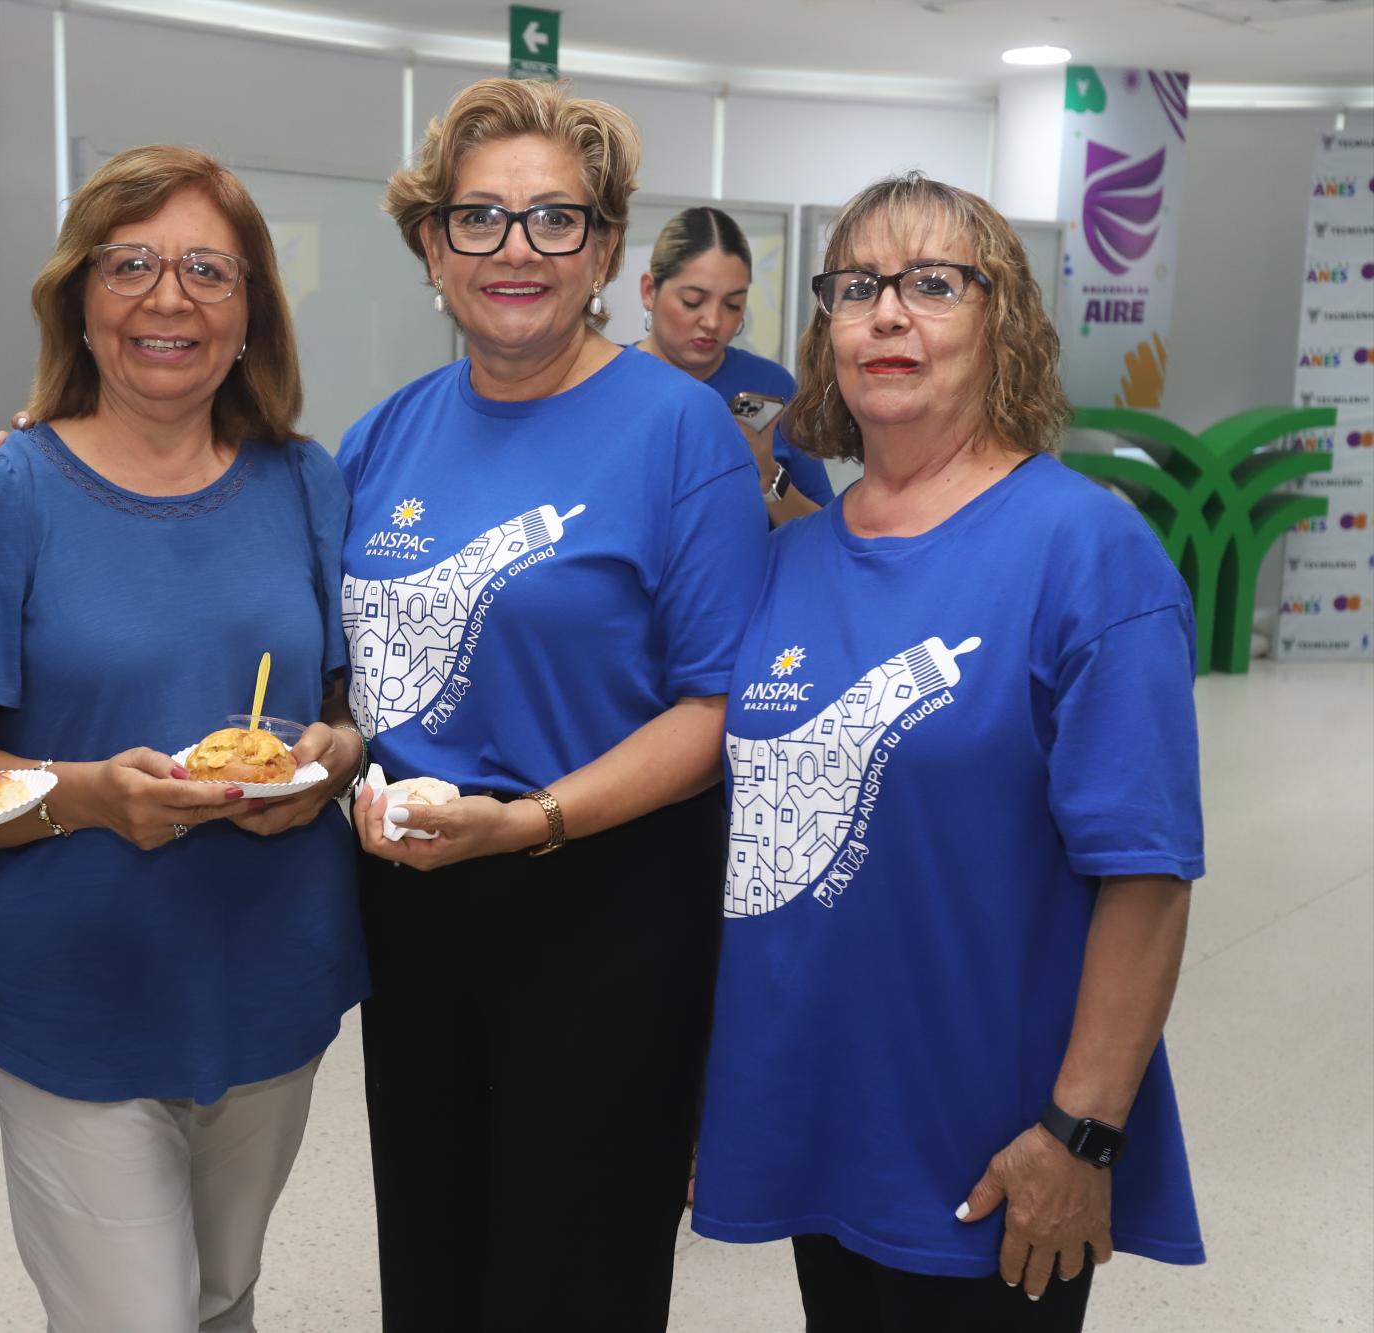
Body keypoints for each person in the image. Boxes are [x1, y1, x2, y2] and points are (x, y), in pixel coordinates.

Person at [691, 172, 1203, 1332]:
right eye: (855, 287)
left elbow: (1145, 873)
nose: (884, 314)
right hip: (819, 1125)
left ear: (1001, 320)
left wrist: (1079, 1131)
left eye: (931, 284)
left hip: (995, 1147)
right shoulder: (790, 559)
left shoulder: (1085, 551)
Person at [0, 144, 367, 1333]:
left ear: (252, 307)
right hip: (81, 987)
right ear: (77, 297)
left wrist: (332, 761)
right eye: (132, 264)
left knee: (220, 1298)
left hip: (272, 969)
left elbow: (343, 707)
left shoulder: (304, 482)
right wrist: (90, 795)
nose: (169, 298)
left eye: (208, 268)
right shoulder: (0, 494)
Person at [339, 78, 768, 1330]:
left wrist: (530, 823)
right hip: (411, 905)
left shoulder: (680, 433)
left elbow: (713, 704)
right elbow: (338, 666)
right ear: (431, 247)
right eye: (477, 218)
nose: (514, 249)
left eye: (554, 220)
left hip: (605, 904)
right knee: (430, 1252)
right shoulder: (378, 440)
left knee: (572, 1276)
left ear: (605, 252)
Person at [633, 206, 835, 526]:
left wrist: (766, 474)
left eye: (733, 305)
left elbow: (824, 533)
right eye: (692, 301)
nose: (713, 321)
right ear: (649, 291)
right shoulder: (609, 383)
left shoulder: (770, 386)